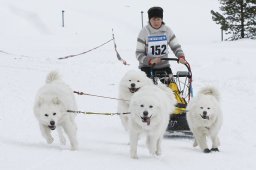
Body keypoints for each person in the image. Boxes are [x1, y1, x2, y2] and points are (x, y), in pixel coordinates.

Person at [135, 6, 187, 80]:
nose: (156, 22)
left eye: (158, 19)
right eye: (153, 19)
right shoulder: (144, 32)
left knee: (172, 89)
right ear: (149, 20)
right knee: (149, 89)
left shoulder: (167, 31)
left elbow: (176, 47)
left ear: (162, 19)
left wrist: (181, 56)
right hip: (147, 67)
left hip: (164, 66)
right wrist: (150, 61)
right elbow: (138, 54)